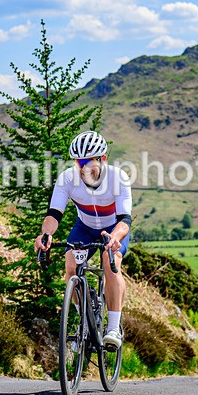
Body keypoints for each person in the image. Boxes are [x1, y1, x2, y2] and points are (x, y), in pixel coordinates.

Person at [35, 131, 132, 349]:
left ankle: (114, 328)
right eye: (79, 161)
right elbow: (53, 215)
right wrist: (46, 234)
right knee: (71, 268)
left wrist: (115, 238)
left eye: (88, 161)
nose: (83, 167)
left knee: (111, 264)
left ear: (102, 159)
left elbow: (125, 220)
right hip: (85, 228)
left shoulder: (118, 178)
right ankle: (84, 323)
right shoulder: (67, 179)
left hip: (112, 229)